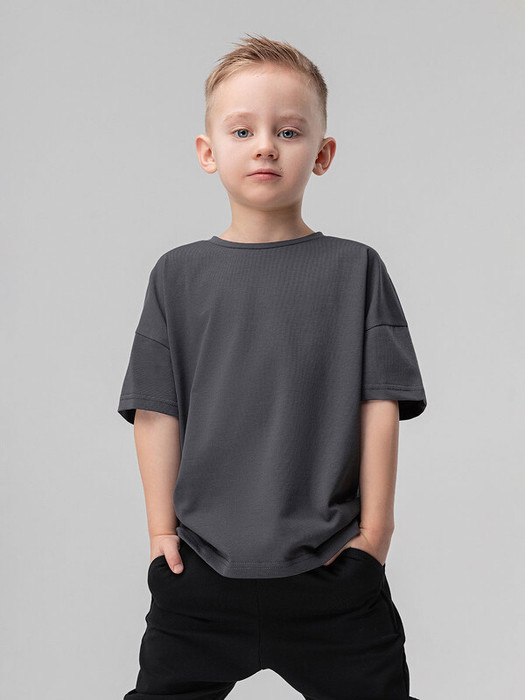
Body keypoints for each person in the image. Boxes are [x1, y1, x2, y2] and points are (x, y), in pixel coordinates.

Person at [117, 33, 426, 700]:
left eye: (288, 131)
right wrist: (160, 535)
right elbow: (155, 410)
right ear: (208, 152)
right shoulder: (176, 276)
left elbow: (380, 404)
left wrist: (374, 536)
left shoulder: (356, 269)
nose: (265, 146)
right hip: (199, 576)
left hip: (331, 576)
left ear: (322, 153)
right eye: (242, 130)